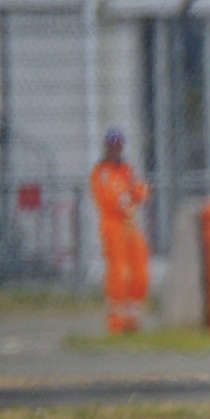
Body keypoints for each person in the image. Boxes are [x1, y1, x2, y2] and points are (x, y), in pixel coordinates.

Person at [89, 129, 149, 335]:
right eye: (112, 145)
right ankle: (116, 320)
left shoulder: (126, 169)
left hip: (129, 223)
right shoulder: (102, 171)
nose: (115, 149)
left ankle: (133, 317)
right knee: (118, 271)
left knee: (139, 268)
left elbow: (139, 190)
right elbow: (107, 197)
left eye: (118, 145)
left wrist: (137, 193)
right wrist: (124, 200)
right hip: (113, 224)